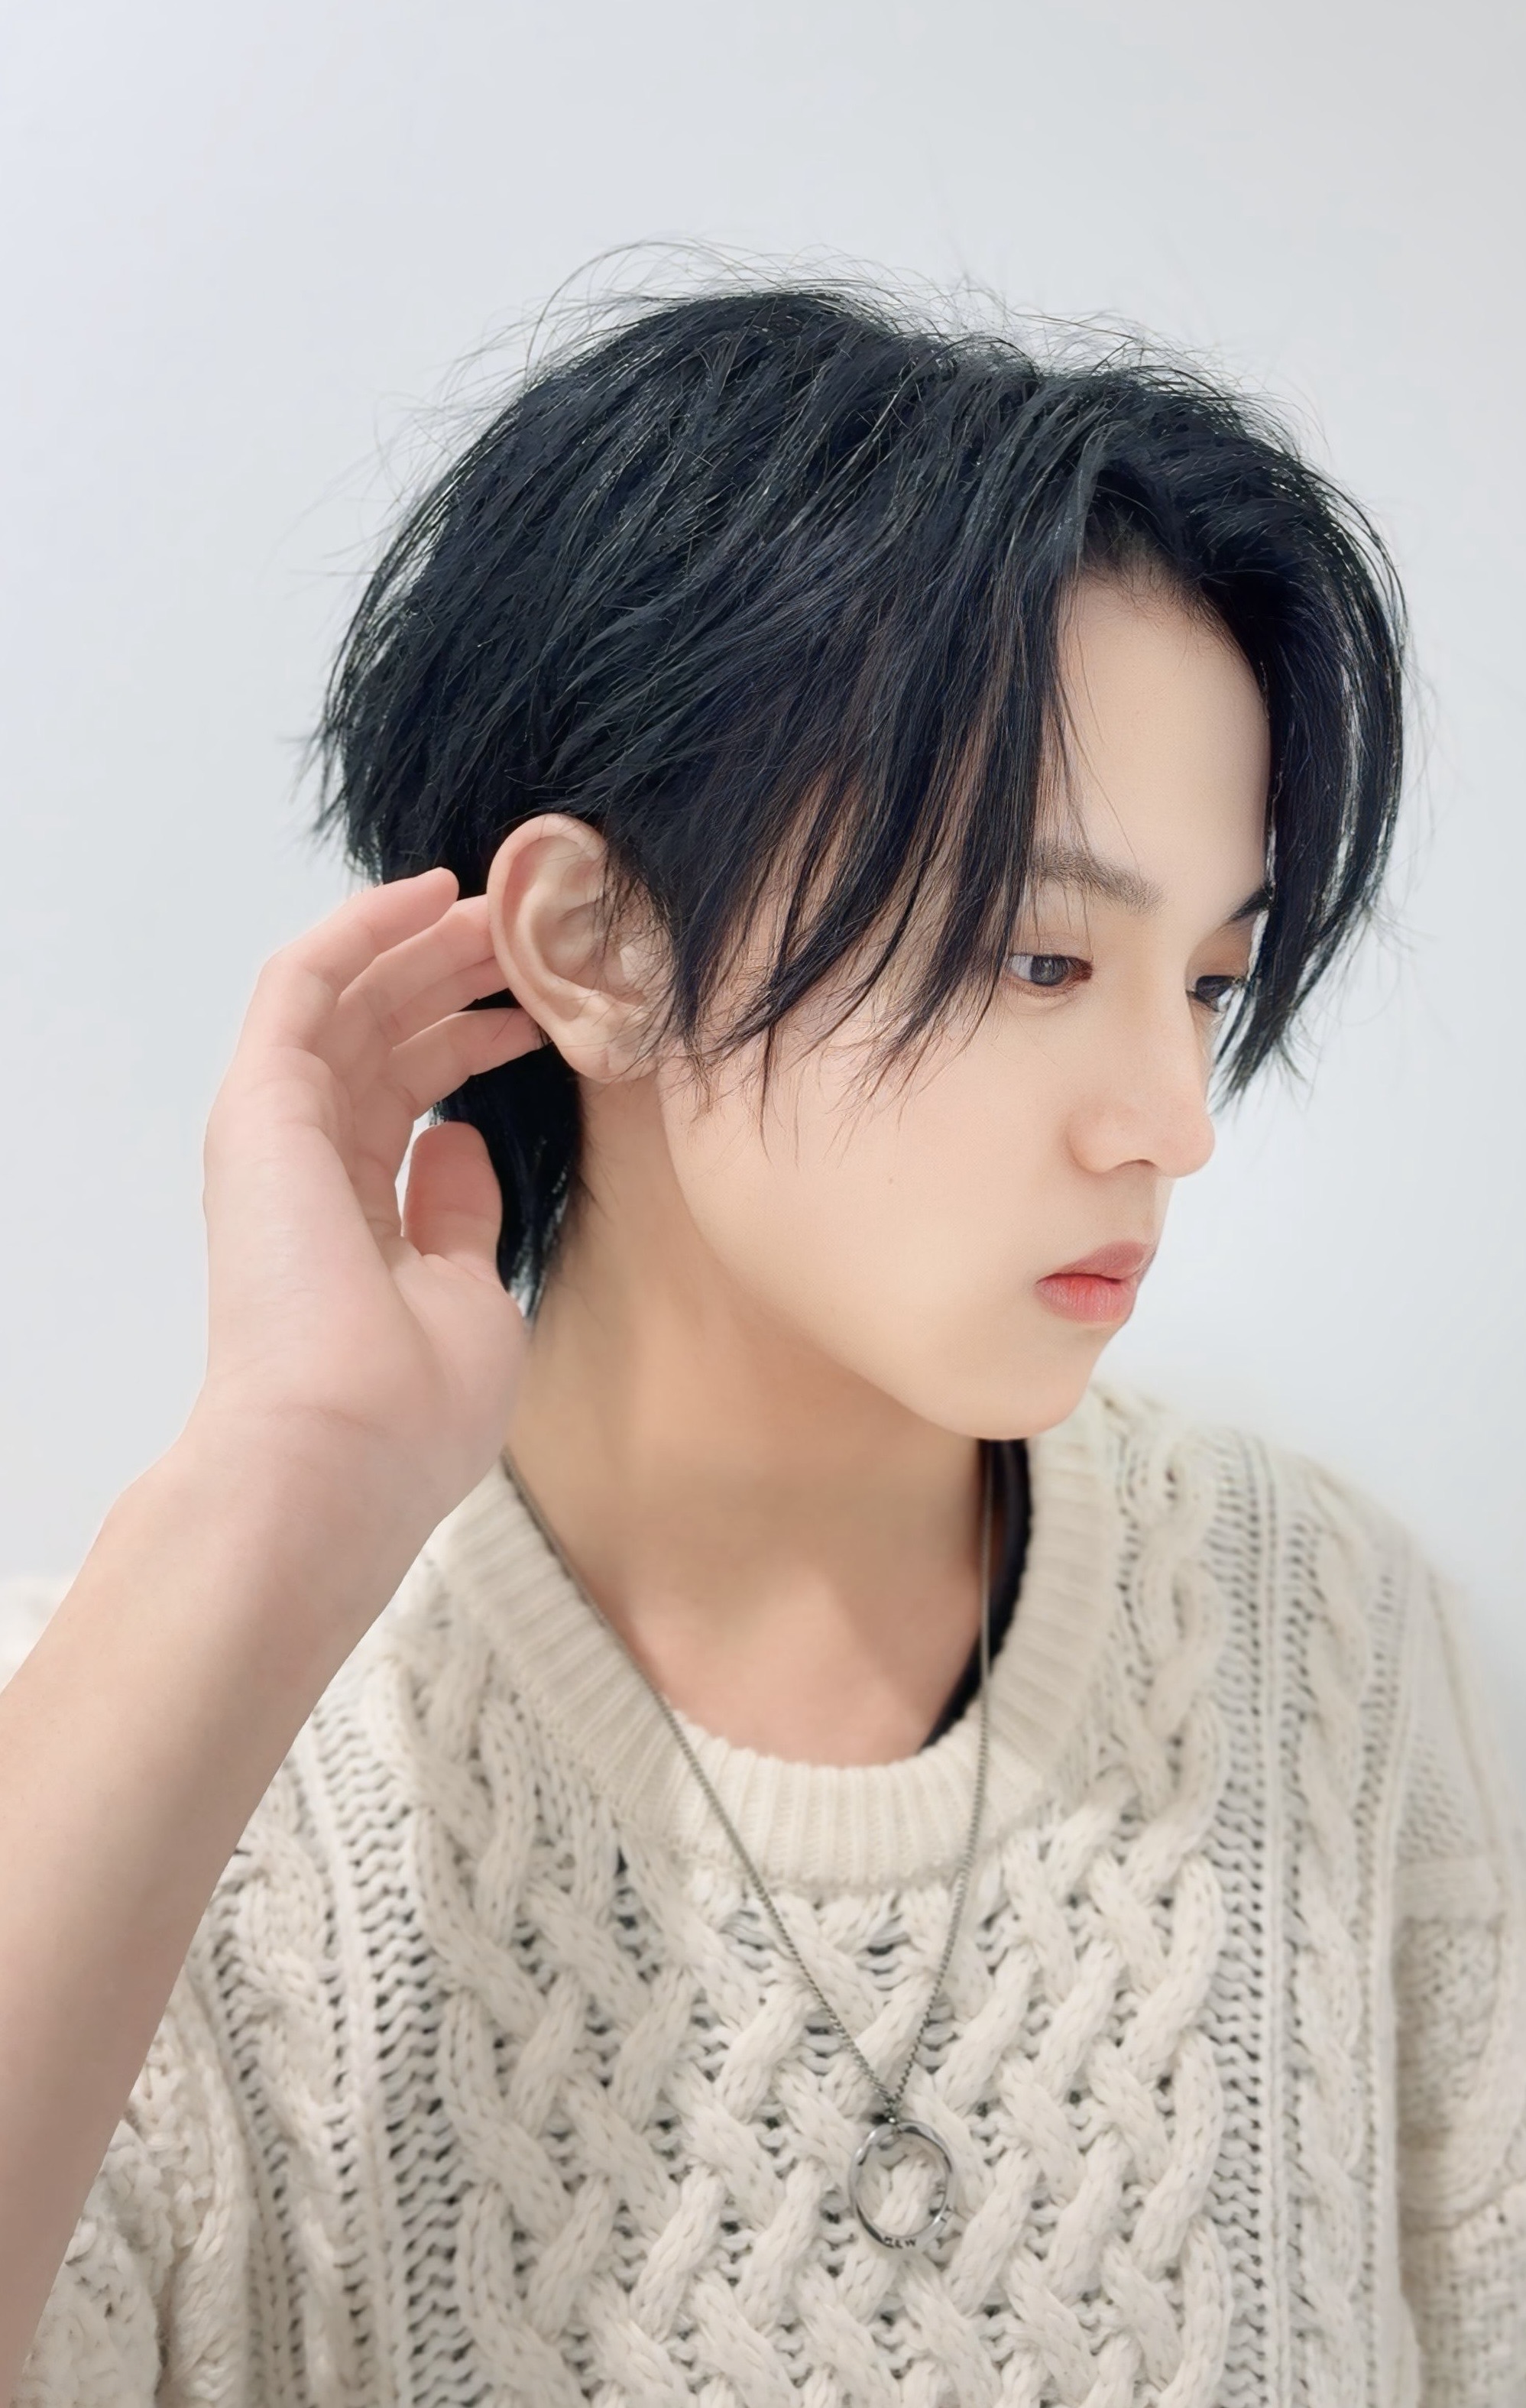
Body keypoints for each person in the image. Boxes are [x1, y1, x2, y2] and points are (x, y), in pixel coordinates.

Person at [1, 280, 1521, 2408]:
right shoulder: (164, 1752)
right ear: (602, 947)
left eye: (1205, 982)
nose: (1172, 1122)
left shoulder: (1323, 1648)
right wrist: (266, 1504)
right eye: (1038, 955)